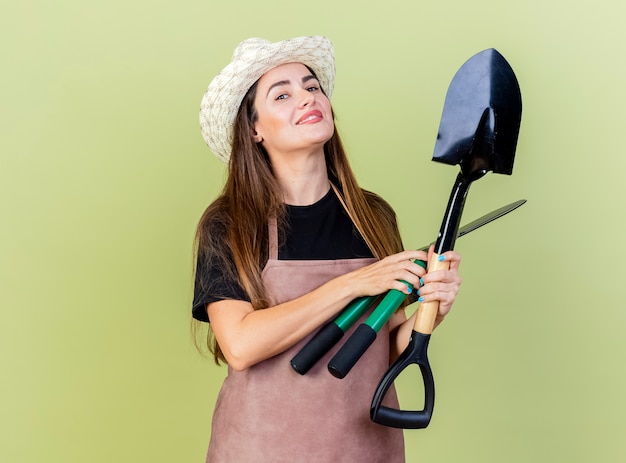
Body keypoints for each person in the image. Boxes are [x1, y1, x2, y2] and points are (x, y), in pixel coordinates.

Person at [192, 36, 462, 462]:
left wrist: (434, 308)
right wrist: (352, 284)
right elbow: (240, 345)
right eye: (282, 94)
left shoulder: (371, 214)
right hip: (262, 448)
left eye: (312, 86)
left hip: (364, 445)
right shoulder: (230, 223)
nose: (306, 97)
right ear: (255, 130)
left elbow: (383, 345)